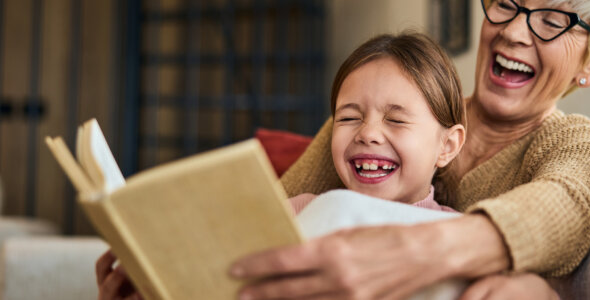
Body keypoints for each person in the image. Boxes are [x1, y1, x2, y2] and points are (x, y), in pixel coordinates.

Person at [227, 0, 590, 299]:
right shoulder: (376, 115)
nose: (512, 31)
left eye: (553, 19)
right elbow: (270, 227)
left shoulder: (574, 143)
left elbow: (566, 204)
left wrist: (416, 252)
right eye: (506, 4)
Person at [96, 32, 469, 300]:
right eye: (349, 118)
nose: (368, 134)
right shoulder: (298, 210)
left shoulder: (462, 236)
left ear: (447, 146)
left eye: (397, 120)